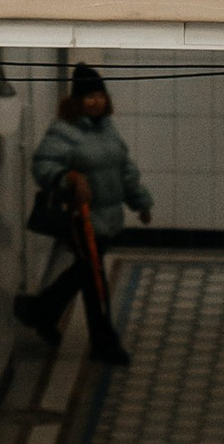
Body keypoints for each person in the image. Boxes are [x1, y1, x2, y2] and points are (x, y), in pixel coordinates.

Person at [19, 66, 151, 366]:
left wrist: (141, 203)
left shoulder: (107, 128)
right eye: (88, 96)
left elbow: (124, 169)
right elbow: (42, 165)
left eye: (99, 95)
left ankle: (38, 311)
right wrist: (69, 178)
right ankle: (105, 344)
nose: (95, 102)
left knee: (83, 273)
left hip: (106, 217)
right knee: (94, 281)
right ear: (77, 100)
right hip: (80, 219)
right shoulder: (64, 130)